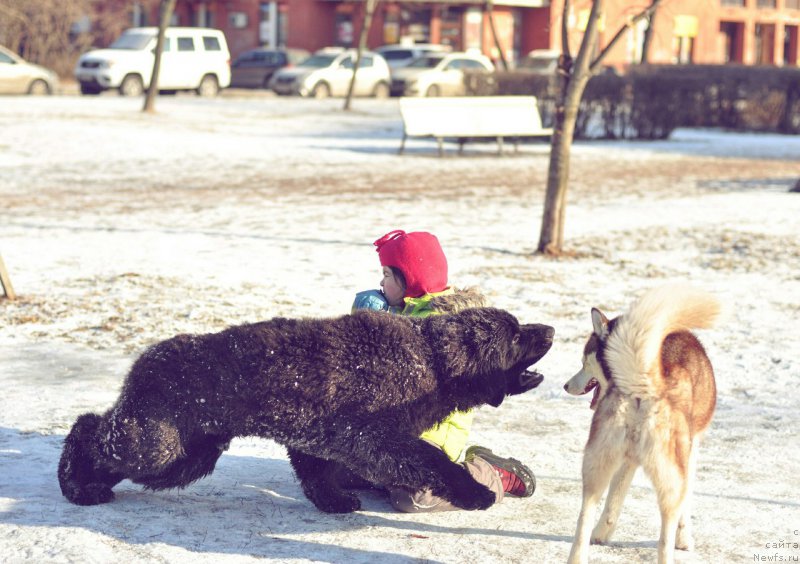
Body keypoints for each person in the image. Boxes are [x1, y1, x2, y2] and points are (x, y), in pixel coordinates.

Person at [352, 229, 536, 512]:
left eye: (387, 274)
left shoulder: (448, 328)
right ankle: (385, 475)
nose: (381, 281)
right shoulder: (398, 313)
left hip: (432, 434)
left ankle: (489, 473)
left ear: (409, 278)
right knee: (334, 462)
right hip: (393, 430)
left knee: (416, 497)